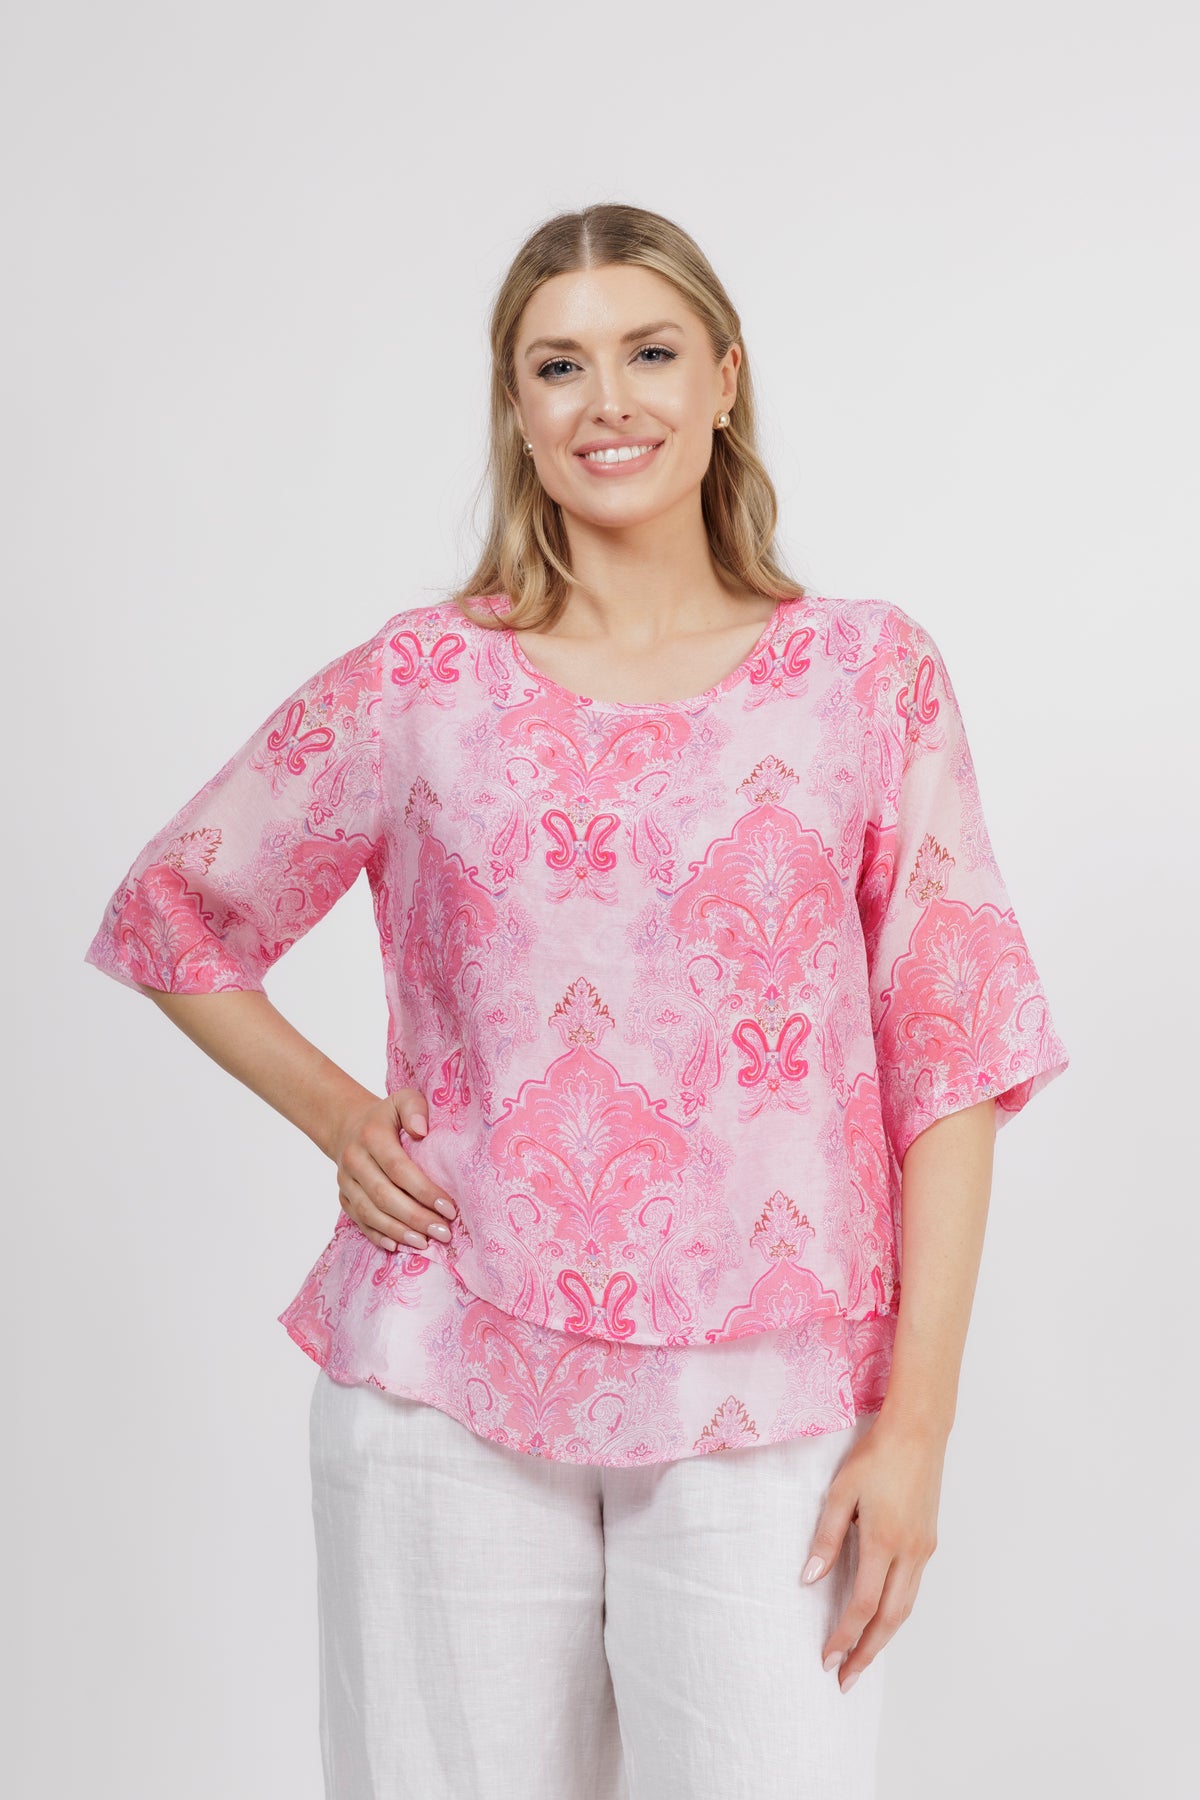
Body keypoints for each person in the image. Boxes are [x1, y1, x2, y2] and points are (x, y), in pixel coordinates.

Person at [83, 202, 1070, 1800]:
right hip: (445, 1374)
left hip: (776, 1399)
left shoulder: (863, 677)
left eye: (649, 352)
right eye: (559, 365)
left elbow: (952, 1052)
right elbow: (175, 908)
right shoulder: (424, 681)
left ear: (725, 378)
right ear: (518, 409)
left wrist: (918, 1430)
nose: (608, 400)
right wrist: (342, 1117)